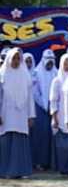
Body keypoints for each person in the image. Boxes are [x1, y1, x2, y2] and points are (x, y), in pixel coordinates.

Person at [0, 48, 36, 178]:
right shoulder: (2, 74)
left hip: (21, 115)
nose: (16, 61)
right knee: (6, 142)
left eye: (18, 58)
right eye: (14, 58)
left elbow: (30, 97)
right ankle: (4, 171)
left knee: (20, 141)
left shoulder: (25, 75)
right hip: (6, 114)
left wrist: (31, 115)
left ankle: (20, 171)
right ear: (9, 59)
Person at [32, 51, 56, 170]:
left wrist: (53, 106)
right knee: (41, 135)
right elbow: (35, 93)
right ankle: (39, 162)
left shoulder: (56, 73)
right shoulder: (37, 73)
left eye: (51, 58)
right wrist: (44, 105)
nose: (49, 61)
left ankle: (51, 163)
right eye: (47, 58)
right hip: (41, 109)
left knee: (53, 136)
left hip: (54, 109)